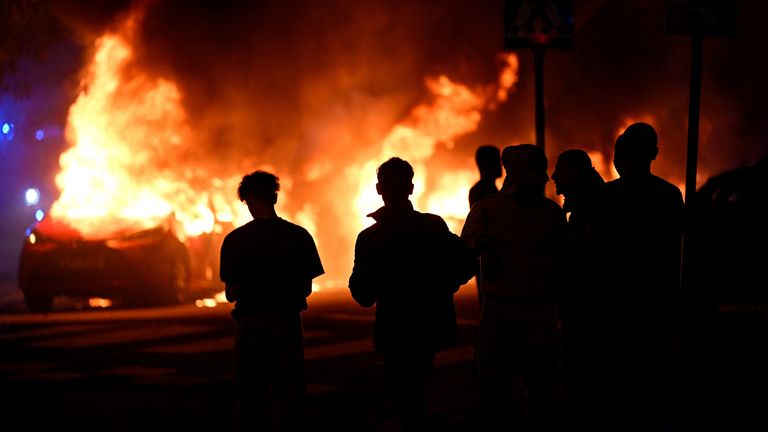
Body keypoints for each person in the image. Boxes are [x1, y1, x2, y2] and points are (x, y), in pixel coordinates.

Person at [349, 157, 475, 431]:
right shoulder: (432, 226)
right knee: (416, 392)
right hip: (428, 325)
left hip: (393, 328)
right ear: (411, 188)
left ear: (379, 189)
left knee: (404, 397)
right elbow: (467, 262)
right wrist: (443, 288)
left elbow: (362, 294)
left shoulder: (371, 238)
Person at [461, 144, 567, 432]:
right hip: (500, 314)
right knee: (495, 393)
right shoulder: (486, 211)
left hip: (539, 315)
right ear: (523, 173)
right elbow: (462, 260)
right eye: (539, 170)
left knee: (541, 393)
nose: (546, 178)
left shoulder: (551, 215)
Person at [592, 122, 685, 431]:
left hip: (614, 306)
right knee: (653, 386)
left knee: (615, 389)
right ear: (654, 154)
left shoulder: (605, 197)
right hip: (657, 303)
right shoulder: (669, 196)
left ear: (620, 155)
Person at [219, 170, 325, 432]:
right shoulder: (299, 236)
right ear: (275, 198)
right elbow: (306, 288)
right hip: (287, 324)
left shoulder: (235, 241)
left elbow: (231, 293)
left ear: (248, 201)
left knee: (249, 397)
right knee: (288, 396)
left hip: (250, 326)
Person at [551, 149, 605, 430]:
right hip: (582, 306)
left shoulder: (589, 209)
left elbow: (583, 259)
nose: (553, 177)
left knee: (582, 374)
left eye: (559, 170)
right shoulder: (587, 203)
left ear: (575, 173)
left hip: (587, 309)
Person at [468, 144, 503, 308]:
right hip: (489, 256)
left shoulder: (488, 189)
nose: (500, 165)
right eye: (497, 160)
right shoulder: (483, 191)